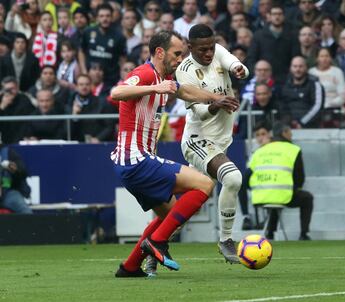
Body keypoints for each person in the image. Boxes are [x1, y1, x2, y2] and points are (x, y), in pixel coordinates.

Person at [110, 30, 239, 277]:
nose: (181, 59)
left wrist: (216, 97)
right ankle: (157, 243)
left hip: (134, 162)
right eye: (177, 54)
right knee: (204, 185)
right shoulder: (147, 73)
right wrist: (154, 87)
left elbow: (188, 92)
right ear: (160, 52)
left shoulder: (165, 78)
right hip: (136, 158)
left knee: (170, 215)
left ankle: (130, 266)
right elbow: (117, 93)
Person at [175, 24, 249, 263]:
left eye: (211, 47)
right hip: (198, 140)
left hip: (220, 142)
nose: (209, 53)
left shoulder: (218, 51)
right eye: (203, 50)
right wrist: (216, 104)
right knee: (233, 178)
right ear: (190, 47)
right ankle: (226, 240)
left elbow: (237, 64)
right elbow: (199, 113)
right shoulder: (184, 71)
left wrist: (239, 69)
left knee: (191, 203)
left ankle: (152, 243)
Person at [246, 122, 313, 240]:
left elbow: (246, 177)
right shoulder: (293, 149)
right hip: (282, 195)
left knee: (275, 195)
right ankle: (304, 234)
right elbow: (299, 177)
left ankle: (270, 232)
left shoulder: (260, 150)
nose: (291, 135)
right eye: (290, 133)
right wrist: (294, 188)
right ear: (284, 133)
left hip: (259, 197)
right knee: (306, 198)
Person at [280, 56, 325, 128]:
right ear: (290, 68)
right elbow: (282, 106)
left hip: (310, 127)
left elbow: (317, 107)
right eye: (295, 66)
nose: (298, 69)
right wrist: (288, 122)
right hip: (287, 127)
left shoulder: (315, 85)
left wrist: (302, 122)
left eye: (301, 66)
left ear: (306, 68)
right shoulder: (284, 86)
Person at [0, 143, 32, 214]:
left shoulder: (8, 152)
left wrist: (15, 169)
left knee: (25, 211)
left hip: (7, 192)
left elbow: (23, 171)